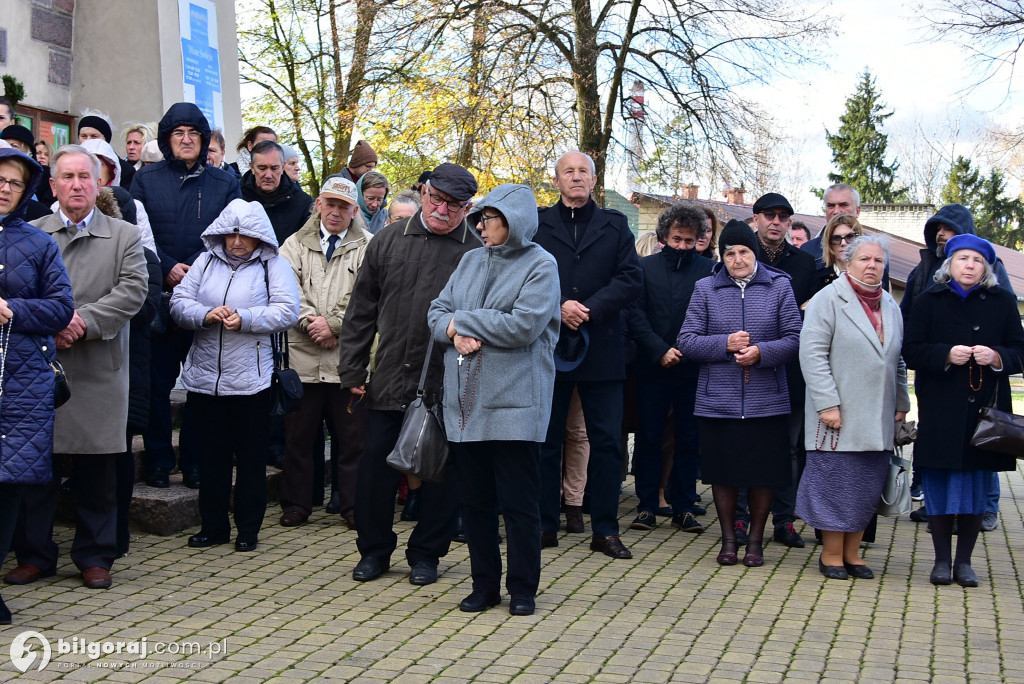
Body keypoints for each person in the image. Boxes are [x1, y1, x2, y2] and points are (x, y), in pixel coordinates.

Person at [10, 145, 147, 591]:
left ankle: (95, 555)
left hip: (98, 366)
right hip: (38, 367)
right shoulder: (30, 232)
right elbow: (16, 291)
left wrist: (81, 322)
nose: (75, 185)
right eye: (66, 177)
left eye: (83, 177)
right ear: (51, 185)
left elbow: (133, 291)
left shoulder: (125, 234)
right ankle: (35, 555)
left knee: (98, 470)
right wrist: (51, 321)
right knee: (37, 468)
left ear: (99, 182)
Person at [337, 162, 480, 585]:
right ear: (422, 191)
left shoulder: (476, 251)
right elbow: (361, 310)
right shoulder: (386, 240)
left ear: (468, 207)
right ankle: (374, 552)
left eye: (454, 205)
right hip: (388, 376)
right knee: (375, 471)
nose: (441, 210)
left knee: (440, 472)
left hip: (447, 380)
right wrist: (353, 368)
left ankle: (427, 555)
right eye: (436, 199)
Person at [427, 183, 560, 616]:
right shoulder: (468, 261)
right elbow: (435, 312)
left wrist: (462, 323)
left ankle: (523, 589)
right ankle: (484, 586)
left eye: (490, 218)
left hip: (516, 405)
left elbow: (523, 326)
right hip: (465, 405)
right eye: (481, 218)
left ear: (514, 220)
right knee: (475, 504)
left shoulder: (541, 265)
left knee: (520, 504)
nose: (481, 226)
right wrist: (450, 331)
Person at [170, 199, 300, 552]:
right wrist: (205, 313)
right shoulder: (204, 261)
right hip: (204, 379)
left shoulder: (274, 265)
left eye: (245, 235)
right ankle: (213, 527)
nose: (237, 241)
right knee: (211, 458)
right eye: (231, 234)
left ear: (260, 237)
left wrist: (246, 318)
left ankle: (248, 529)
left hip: (252, 382)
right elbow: (179, 301)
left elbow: (288, 310)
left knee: (251, 460)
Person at [533, 151, 643, 559]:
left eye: (583, 172)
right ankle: (544, 525)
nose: (576, 178)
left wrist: (589, 308)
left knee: (607, 443)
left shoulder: (615, 226)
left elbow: (631, 278)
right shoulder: (540, 226)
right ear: (557, 181)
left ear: (593, 181)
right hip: (550, 346)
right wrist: (559, 305)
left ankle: (606, 530)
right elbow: (526, 275)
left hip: (603, 346)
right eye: (568, 172)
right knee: (546, 440)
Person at [677, 220, 801, 568]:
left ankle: (756, 542)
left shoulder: (779, 286)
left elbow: (795, 337)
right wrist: (725, 344)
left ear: (755, 252)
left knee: (763, 473)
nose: (737, 259)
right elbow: (686, 341)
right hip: (719, 399)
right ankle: (730, 539)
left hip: (767, 398)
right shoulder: (705, 288)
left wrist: (763, 353)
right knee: (724, 472)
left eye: (744, 251)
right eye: (729, 253)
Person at [903, 234, 1024, 587]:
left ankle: (965, 563)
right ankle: (941, 561)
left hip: (984, 415)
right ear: (949, 265)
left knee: (974, 486)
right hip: (941, 410)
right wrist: (945, 354)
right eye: (962, 259)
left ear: (986, 267)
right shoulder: (929, 300)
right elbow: (911, 350)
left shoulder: (1002, 301)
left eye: (976, 260)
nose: (969, 265)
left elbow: (1020, 350)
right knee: (939, 485)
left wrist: (998, 356)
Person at [131, 102, 241, 490]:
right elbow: (137, 235)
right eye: (178, 133)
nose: (186, 139)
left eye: (193, 133)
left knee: (199, 386)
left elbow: (230, 232)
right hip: (159, 295)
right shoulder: (146, 180)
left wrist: (191, 266)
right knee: (158, 384)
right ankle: (160, 460)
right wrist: (165, 267)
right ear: (166, 139)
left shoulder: (223, 182)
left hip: (205, 297)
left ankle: (195, 462)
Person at [796, 235, 911, 580]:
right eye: (864, 259)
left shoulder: (889, 304)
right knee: (836, 486)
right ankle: (831, 555)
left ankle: (853, 554)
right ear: (847, 262)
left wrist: (901, 403)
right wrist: (827, 404)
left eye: (878, 260)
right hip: (838, 414)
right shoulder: (828, 299)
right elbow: (811, 355)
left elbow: (898, 359)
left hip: (878, 414)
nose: (872, 266)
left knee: (865, 487)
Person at [0, 147, 75, 623]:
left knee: (7, 489)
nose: (4, 188)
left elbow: (60, 308)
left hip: (20, 384)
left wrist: (14, 310)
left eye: (12, 181)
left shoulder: (39, 243)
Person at [277, 176, 370, 530]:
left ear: (354, 211)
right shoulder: (294, 244)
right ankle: (297, 505)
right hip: (302, 358)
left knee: (352, 439)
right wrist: (309, 322)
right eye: (329, 204)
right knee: (298, 438)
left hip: (347, 361)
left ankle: (353, 506)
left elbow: (367, 295)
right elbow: (286, 289)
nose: (335, 212)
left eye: (343, 206)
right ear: (318, 204)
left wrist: (333, 325)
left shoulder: (369, 246)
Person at [627, 203, 714, 534]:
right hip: (653, 365)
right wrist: (659, 350)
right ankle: (647, 505)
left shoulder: (709, 270)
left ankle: (684, 505)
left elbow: (712, 317)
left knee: (689, 438)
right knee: (649, 435)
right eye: (676, 238)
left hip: (693, 367)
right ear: (663, 236)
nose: (682, 246)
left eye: (689, 241)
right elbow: (635, 314)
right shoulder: (645, 268)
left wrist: (690, 350)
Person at [737, 192, 816, 549]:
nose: (776, 221)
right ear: (756, 219)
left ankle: (785, 519)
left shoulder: (804, 264)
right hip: (744, 366)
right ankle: (740, 517)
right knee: (745, 444)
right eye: (769, 214)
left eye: (784, 216)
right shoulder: (740, 255)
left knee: (788, 447)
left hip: (789, 367)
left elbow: (807, 319)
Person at [240, 139, 313, 246]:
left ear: (282, 167)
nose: (268, 175)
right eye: (262, 168)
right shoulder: (236, 197)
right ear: (252, 167)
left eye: (274, 168)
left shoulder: (303, 203)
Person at [801, 183, 861, 264]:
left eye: (843, 205)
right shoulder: (808, 251)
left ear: (857, 211)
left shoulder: (875, 249)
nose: (836, 211)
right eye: (831, 206)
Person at [78, 112, 134, 190]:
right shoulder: (70, 162)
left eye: (94, 136)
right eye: (84, 136)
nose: (88, 140)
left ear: (106, 139)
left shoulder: (125, 170)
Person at [356, 170, 389, 234]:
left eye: (380, 199)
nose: (374, 204)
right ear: (360, 194)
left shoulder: (387, 218)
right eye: (370, 198)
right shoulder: (348, 215)